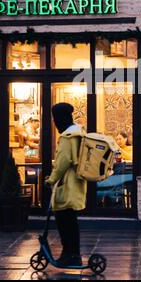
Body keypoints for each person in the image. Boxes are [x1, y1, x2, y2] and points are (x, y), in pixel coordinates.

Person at [45, 103, 87, 267]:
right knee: (71, 221)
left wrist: (50, 180)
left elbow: (62, 162)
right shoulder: (79, 133)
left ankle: (70, 254)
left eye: (55, 120)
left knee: (64, 222)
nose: (55, 124)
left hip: (66, 186)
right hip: (75, 184)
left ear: (60, 119)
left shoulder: (67, 137)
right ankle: (72, 254)